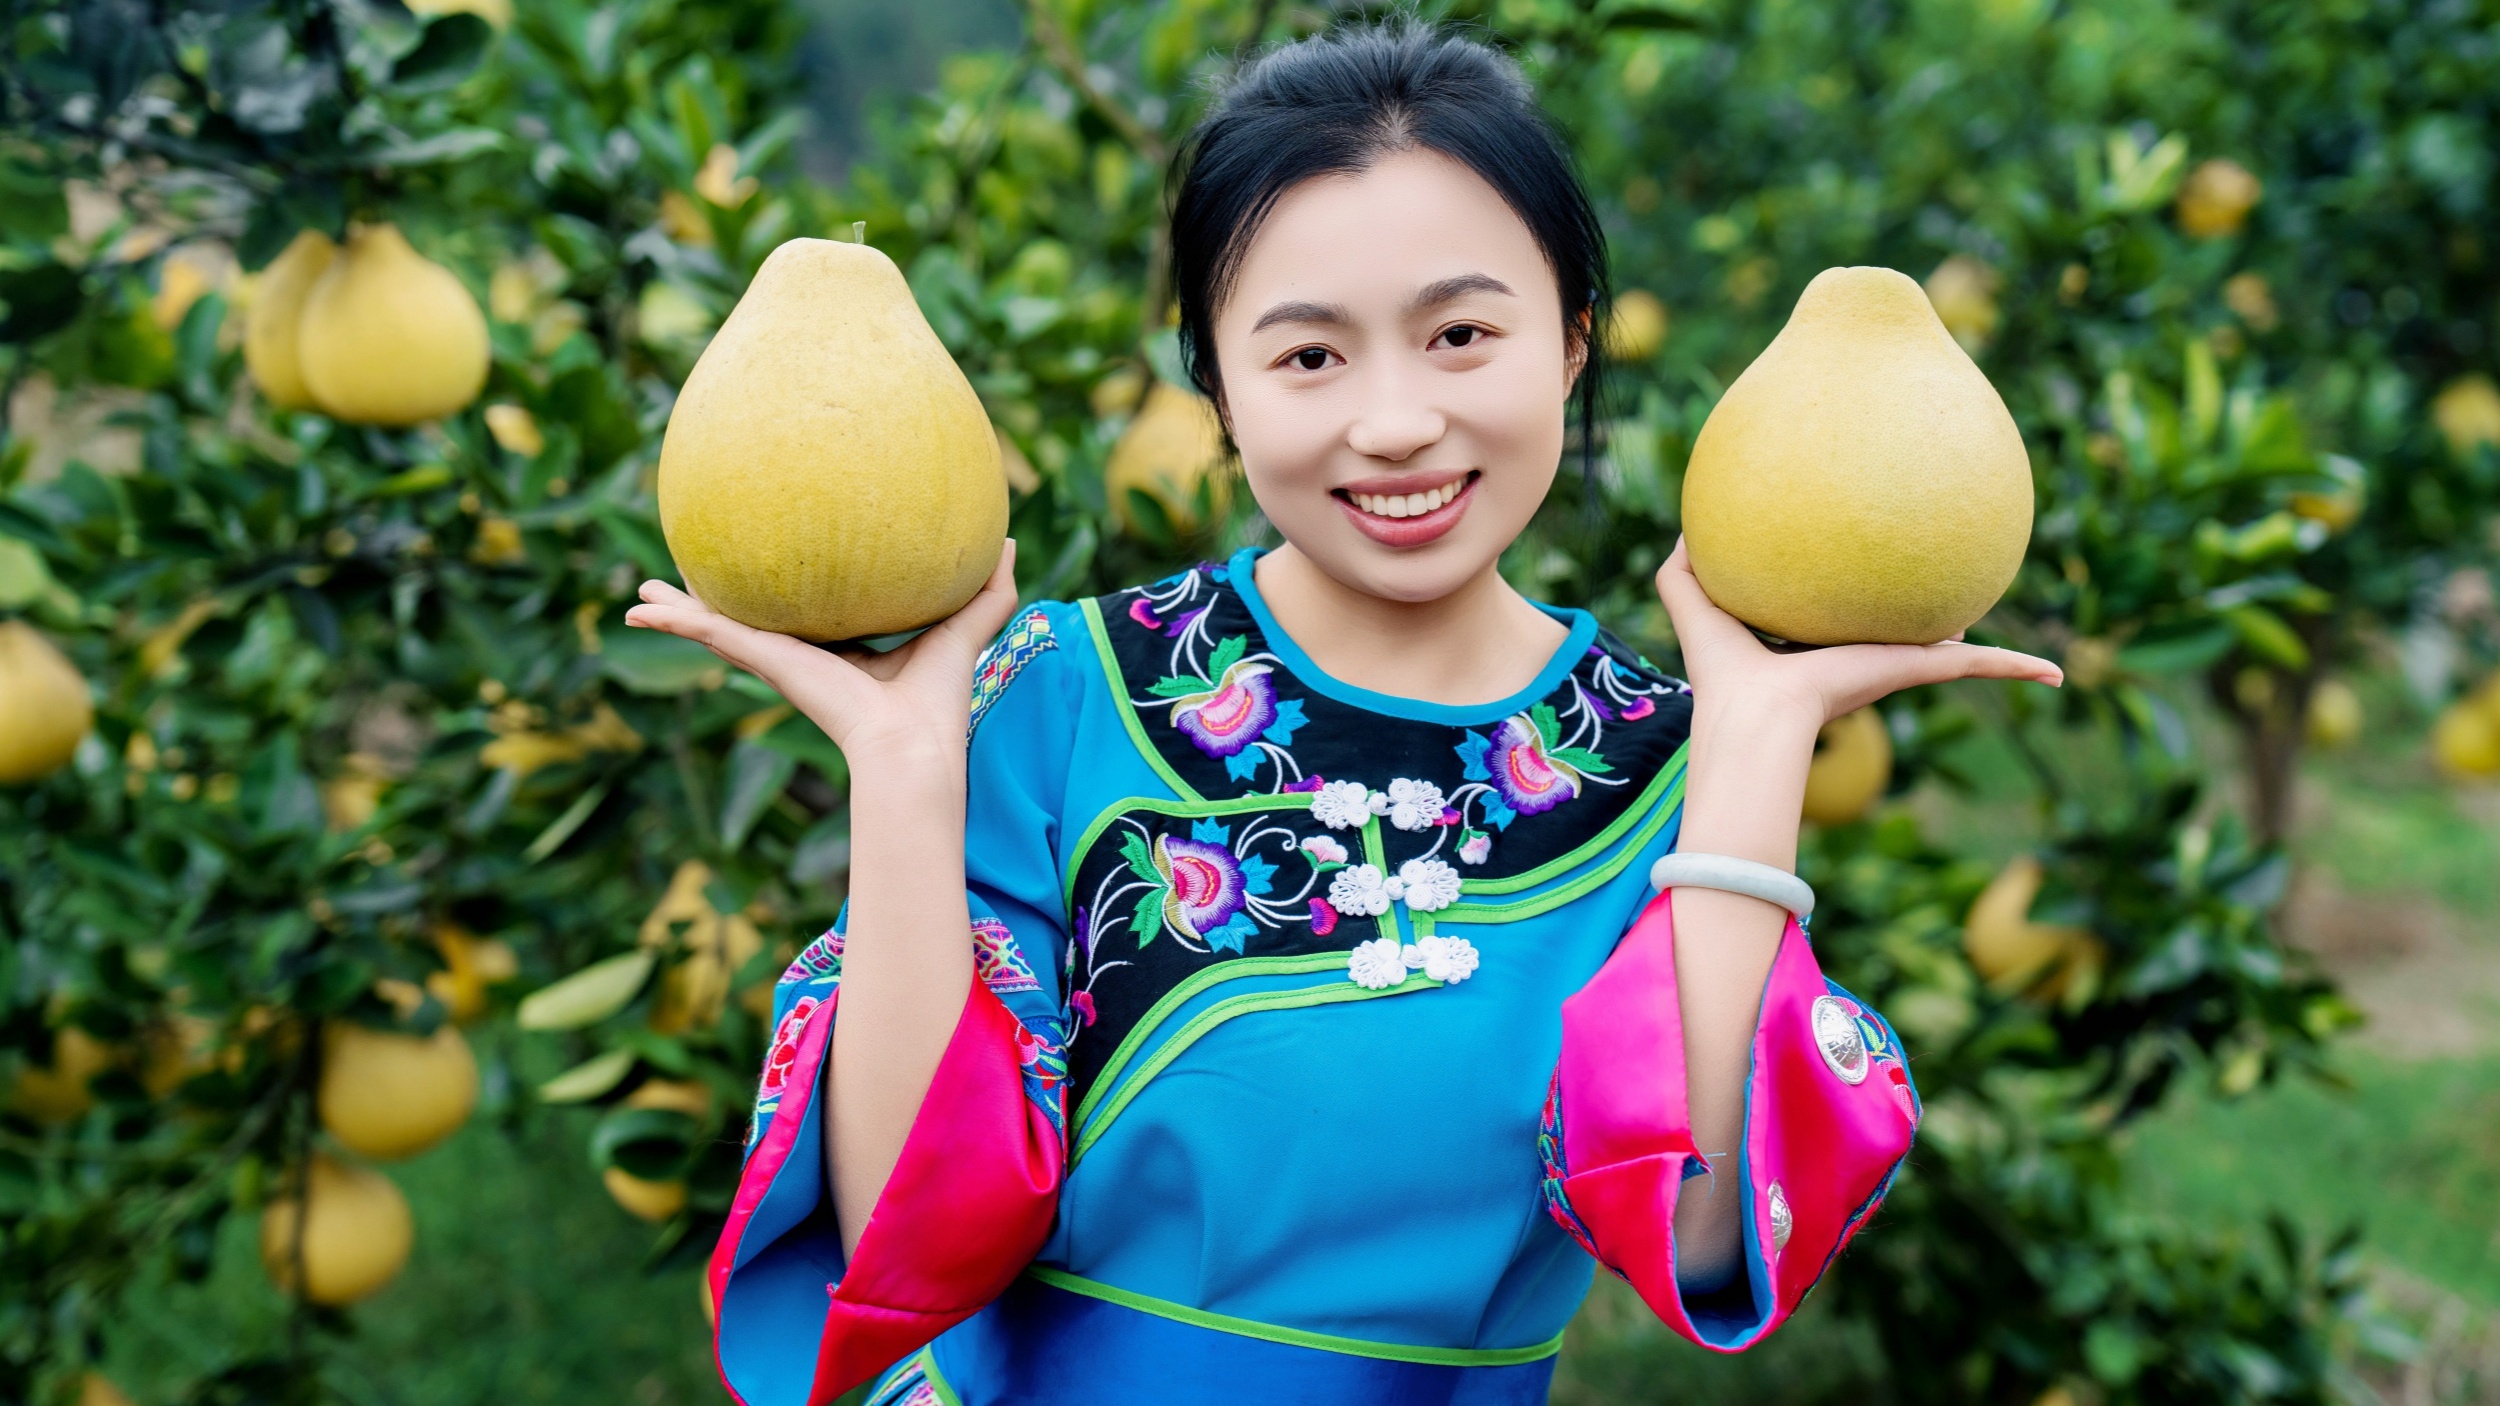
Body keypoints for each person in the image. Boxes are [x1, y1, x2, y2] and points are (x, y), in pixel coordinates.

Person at [625, 21, 2060, 1406]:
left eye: (1460, 335)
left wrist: (1755, 737)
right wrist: (899, 758)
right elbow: (901, 1229)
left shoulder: (1657, 766)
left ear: (1572, 342)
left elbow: (1697, 1240)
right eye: (1310, 356)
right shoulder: (1066, 691)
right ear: (1217, 384)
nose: (1394, 422)